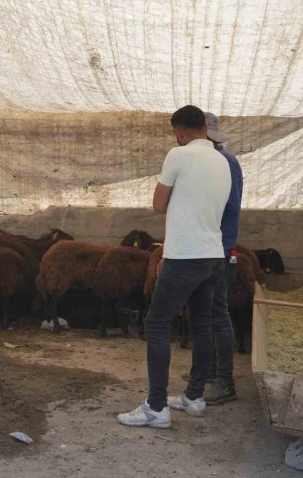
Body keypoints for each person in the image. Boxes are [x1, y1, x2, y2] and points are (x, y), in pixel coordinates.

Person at [117, 105, 230, 428]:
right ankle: (194, 397)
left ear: (179, 132)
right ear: (205, 129)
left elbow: (158, 205)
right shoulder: (222, 161)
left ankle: (155, 407)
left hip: (184, 257)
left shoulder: (177, 156)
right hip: (213, 255)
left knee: (156, 325)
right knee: (202, 324)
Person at [202, 112, 243, 405]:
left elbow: (228, 206)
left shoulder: (225, 163)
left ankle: (226, 381)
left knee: (218, 313)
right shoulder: (212, 161)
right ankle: (212, 371)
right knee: (207, 311)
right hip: (209, 245)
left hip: (219, 247)